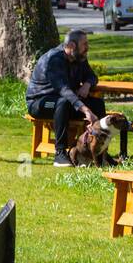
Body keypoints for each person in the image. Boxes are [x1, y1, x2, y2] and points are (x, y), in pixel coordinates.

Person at [26, 30, 106, 167]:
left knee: (98, 104)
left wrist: (87, 85)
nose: (87, 47)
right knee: (62, 103)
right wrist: (85, 110)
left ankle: (100, 153)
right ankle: (60, 154)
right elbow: (63, 90)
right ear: (71, 46)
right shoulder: (54, 60)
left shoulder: (79, 58)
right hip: (40, 102)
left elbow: (92, 76)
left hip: (67, 102)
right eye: (84, 44)